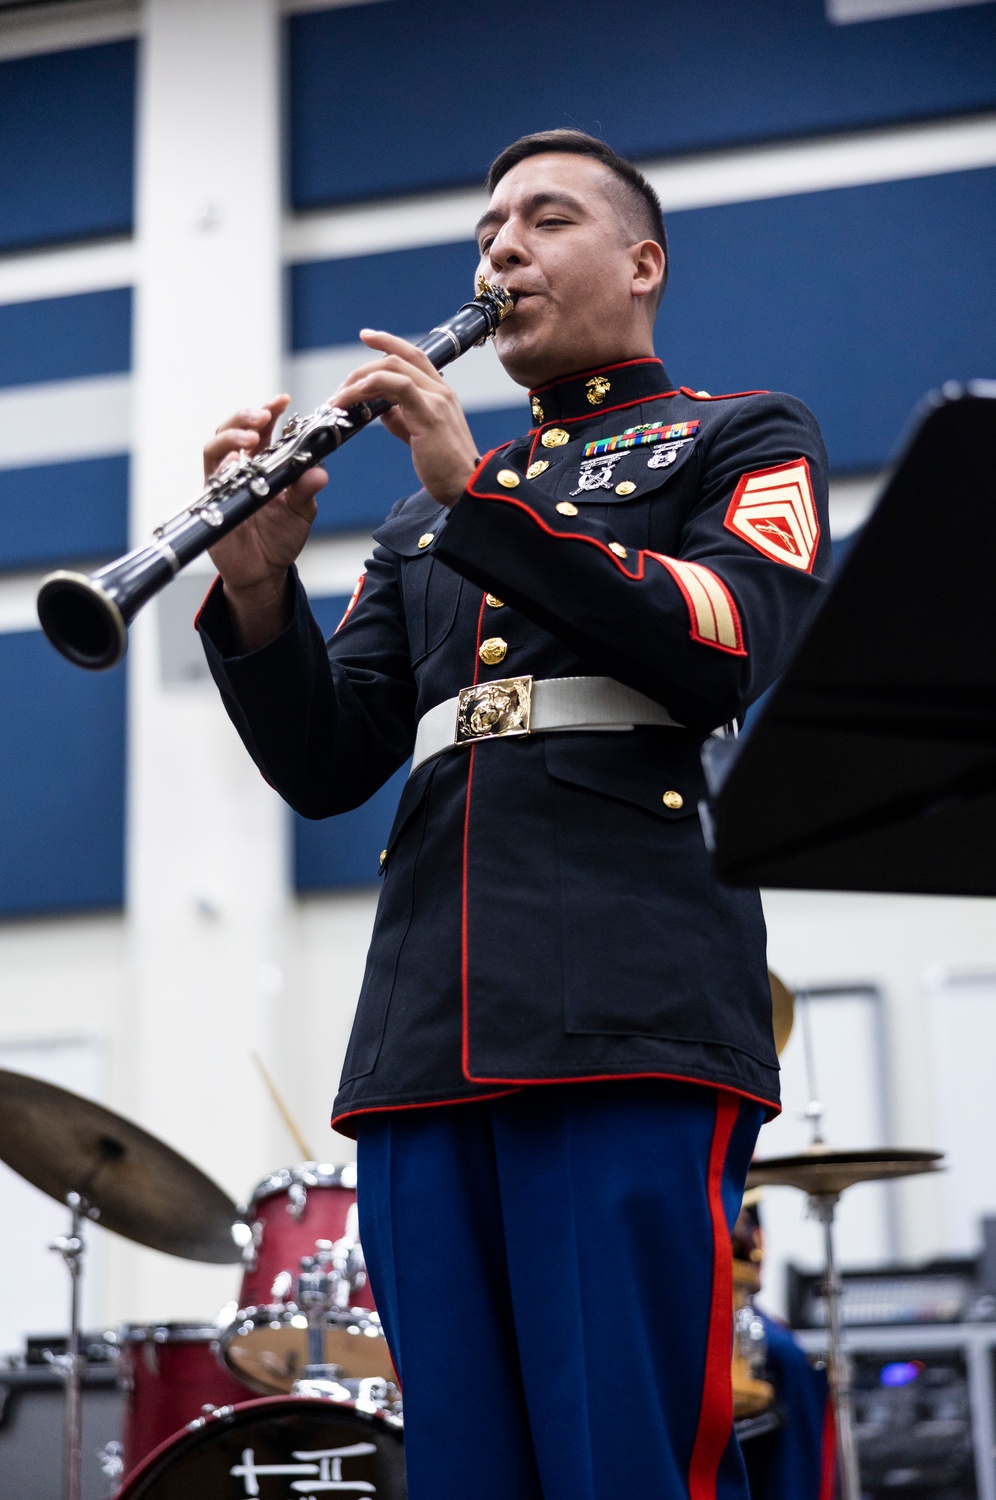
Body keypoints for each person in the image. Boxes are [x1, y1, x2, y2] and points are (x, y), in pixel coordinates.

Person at [198, 130, 831, 1500]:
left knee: (621, 1460)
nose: (502, 250)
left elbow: (722, 640)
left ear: (643, 263)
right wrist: (254, 588)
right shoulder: (417, 532)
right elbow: (327, 759)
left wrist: (475, 490)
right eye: (489, 229)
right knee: (466, 1471)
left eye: (546, 221)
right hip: (425, 1036)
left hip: (629, 1014)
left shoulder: (737, 435)